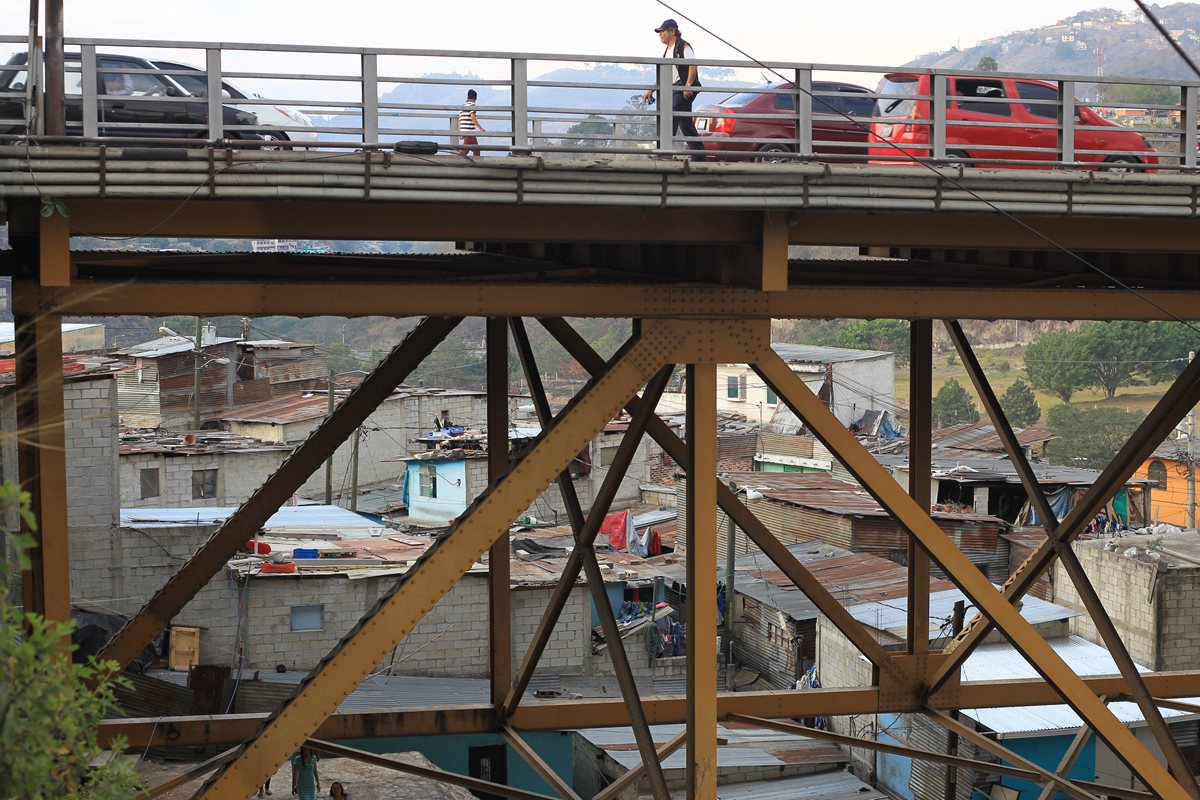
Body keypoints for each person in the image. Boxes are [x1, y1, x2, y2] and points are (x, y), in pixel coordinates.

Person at [642, 19, 704, 157]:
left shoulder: (683, 46)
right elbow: (666, 74)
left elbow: (693, 65)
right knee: (685, 122)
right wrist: (652, 89)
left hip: (684, 87)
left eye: (662, 31)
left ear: (672, 31)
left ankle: (664, 152)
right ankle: (699, 155)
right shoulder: (668, 51)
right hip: (674, 88)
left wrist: (688, 86)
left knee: (671, 112)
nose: (660, 34)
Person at [456, 89, 485, 157]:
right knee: (465, 151)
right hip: (469, 132)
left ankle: (476, 163)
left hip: (465, 131)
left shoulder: (462, 106)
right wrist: (480, 128)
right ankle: (454, 160)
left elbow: (460, 120)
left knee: (477, 149)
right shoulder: (473, 105)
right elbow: (472, 117)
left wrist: (460, 132)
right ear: (476, 98)